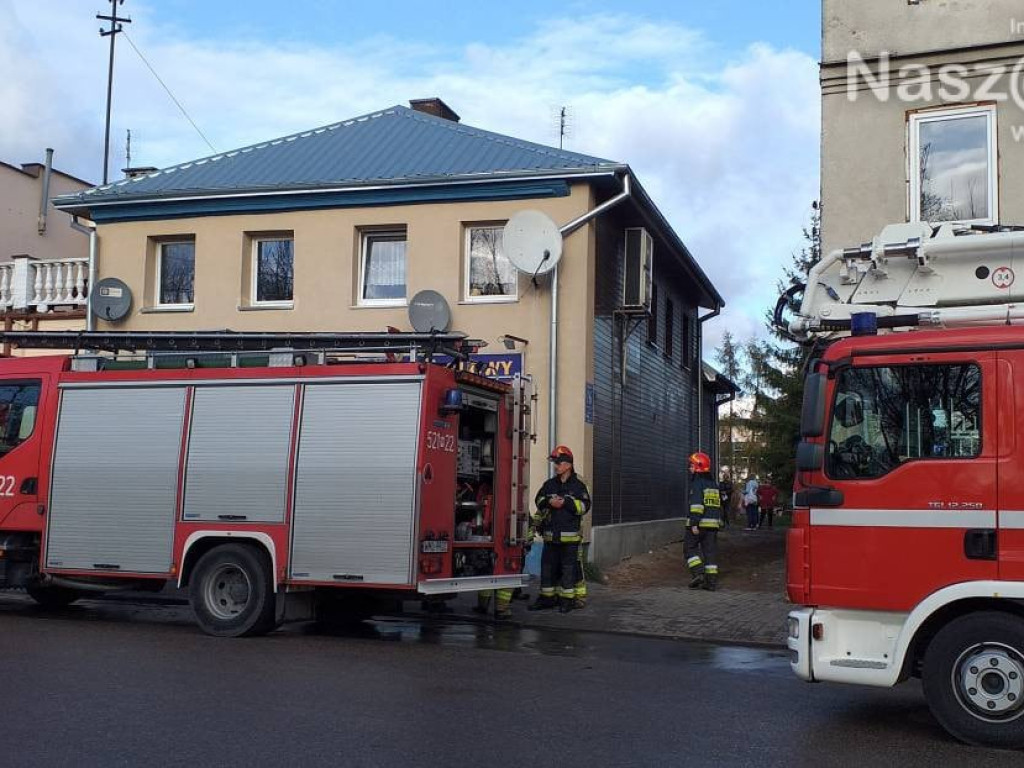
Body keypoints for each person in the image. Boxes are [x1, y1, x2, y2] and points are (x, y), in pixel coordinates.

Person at [528, 445, 592, 614]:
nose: (555, 466)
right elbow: (538, 499)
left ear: (568, 465)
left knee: (568, 570)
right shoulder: (549, 484)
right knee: (548, 569)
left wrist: (566, 502)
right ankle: (547, 598)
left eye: (558, 462)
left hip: (570, 540)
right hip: (550, 537)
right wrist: (548, 502)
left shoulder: (578, 486)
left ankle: (567, 600)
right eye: (555, 463)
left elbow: (585, 506)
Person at [683, 451, 723, 591]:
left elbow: (697, 505)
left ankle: (698, 573)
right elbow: (718, 505)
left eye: (692, 466)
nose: (690, 468)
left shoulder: (697, 484)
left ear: (698, 467)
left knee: (689, 549)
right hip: (713, 525)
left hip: (699, 524)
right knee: (710, 553)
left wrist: (694, 523)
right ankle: (711, 583)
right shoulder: (713, 484)